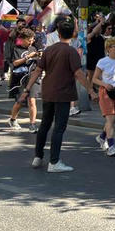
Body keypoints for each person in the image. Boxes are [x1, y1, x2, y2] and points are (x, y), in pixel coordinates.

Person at [20, 17, 93, 173]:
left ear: (58, 33)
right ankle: (54, 161)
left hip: (48, 91)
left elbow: (37, 71)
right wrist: (91, 90)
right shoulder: (71, 51)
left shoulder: (49, 50)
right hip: (63, 93)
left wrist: (26, 90)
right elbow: (79, 74)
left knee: (44, 125)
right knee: (59, 128)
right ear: (72, 34)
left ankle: (38, 157)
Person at [91, 36, 115, 158]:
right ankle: (111, 147)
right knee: (110, 119)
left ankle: (102, 137)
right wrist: (104, 84)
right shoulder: (102, 62)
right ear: (108, 48)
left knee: (113, 120)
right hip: (106, 92)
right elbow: (94, 79)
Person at [6, 28, 43, 131]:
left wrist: (40, 57)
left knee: (32, 101)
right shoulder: (16, 49)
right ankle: (13, 119)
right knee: (20, 101)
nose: (31, 42)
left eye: (32, 39)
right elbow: (14, 63)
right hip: (20, 78)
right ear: (22, 39)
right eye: (29, 40)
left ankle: (32, 124)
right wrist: (27, 57)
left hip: (33, 77)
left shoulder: (33, 48)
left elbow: (38, 63)